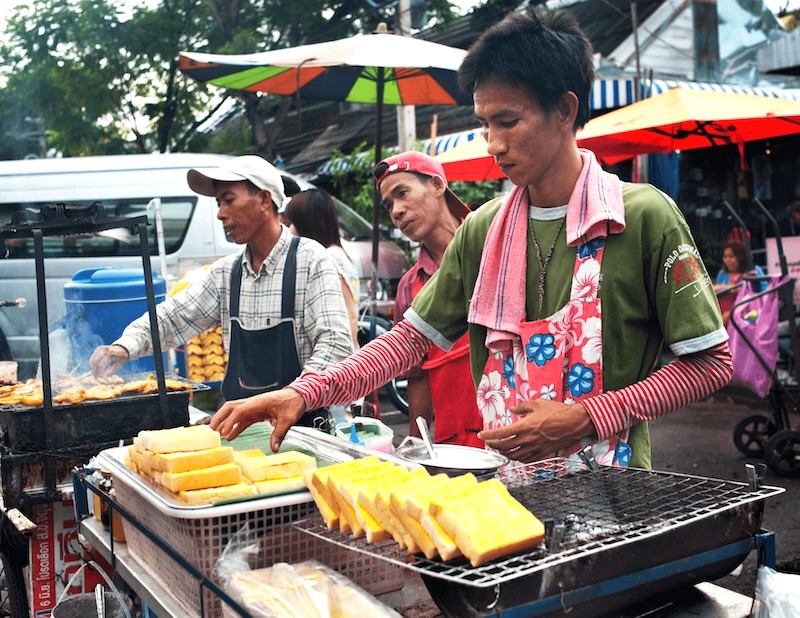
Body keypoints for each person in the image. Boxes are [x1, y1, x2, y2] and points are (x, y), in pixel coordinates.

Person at [209, 8, 732, 470]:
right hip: (501, 485)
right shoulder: (484, 230)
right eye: (484, 124)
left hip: (617, 487)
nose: (494, 144)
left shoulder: (640, 217)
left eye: (509, 121)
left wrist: (586, 416)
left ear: (566, 110)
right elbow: (410, 341)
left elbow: (710, 362)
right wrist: (304, 393)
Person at [90, 155, 354, 429]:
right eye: (218, 203)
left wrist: (296, 394)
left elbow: (335, 342)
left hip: (300, 428)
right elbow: (173, 317)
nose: (220, 213)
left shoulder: (311, 260)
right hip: (240, 431)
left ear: (264, 200)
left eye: (228, 200)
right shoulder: (227, 273)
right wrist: (125, 346)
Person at [381, 151, 483, 448]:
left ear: (438, 186)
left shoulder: (494, 244)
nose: (396, 211)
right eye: (389, 205)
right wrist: (416, 443)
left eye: (402, 193)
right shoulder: (409, 287)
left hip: (514, 434)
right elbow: (417, 375)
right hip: (455, 447)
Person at [283, 188, 360, 348]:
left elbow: (349, 316)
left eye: (292, 223)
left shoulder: (329, 258)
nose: (289, 230)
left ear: (307, 224)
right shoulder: (338, 254)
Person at [713, 239, 765, 326]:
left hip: (748, 312)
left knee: (729, 316)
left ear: (740, 257)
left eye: (731, 256)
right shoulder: (722, 274)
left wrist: (739, 290)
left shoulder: (754, 271)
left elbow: (763, 292)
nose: (728, 260)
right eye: (725, 257)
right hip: (724, 312)